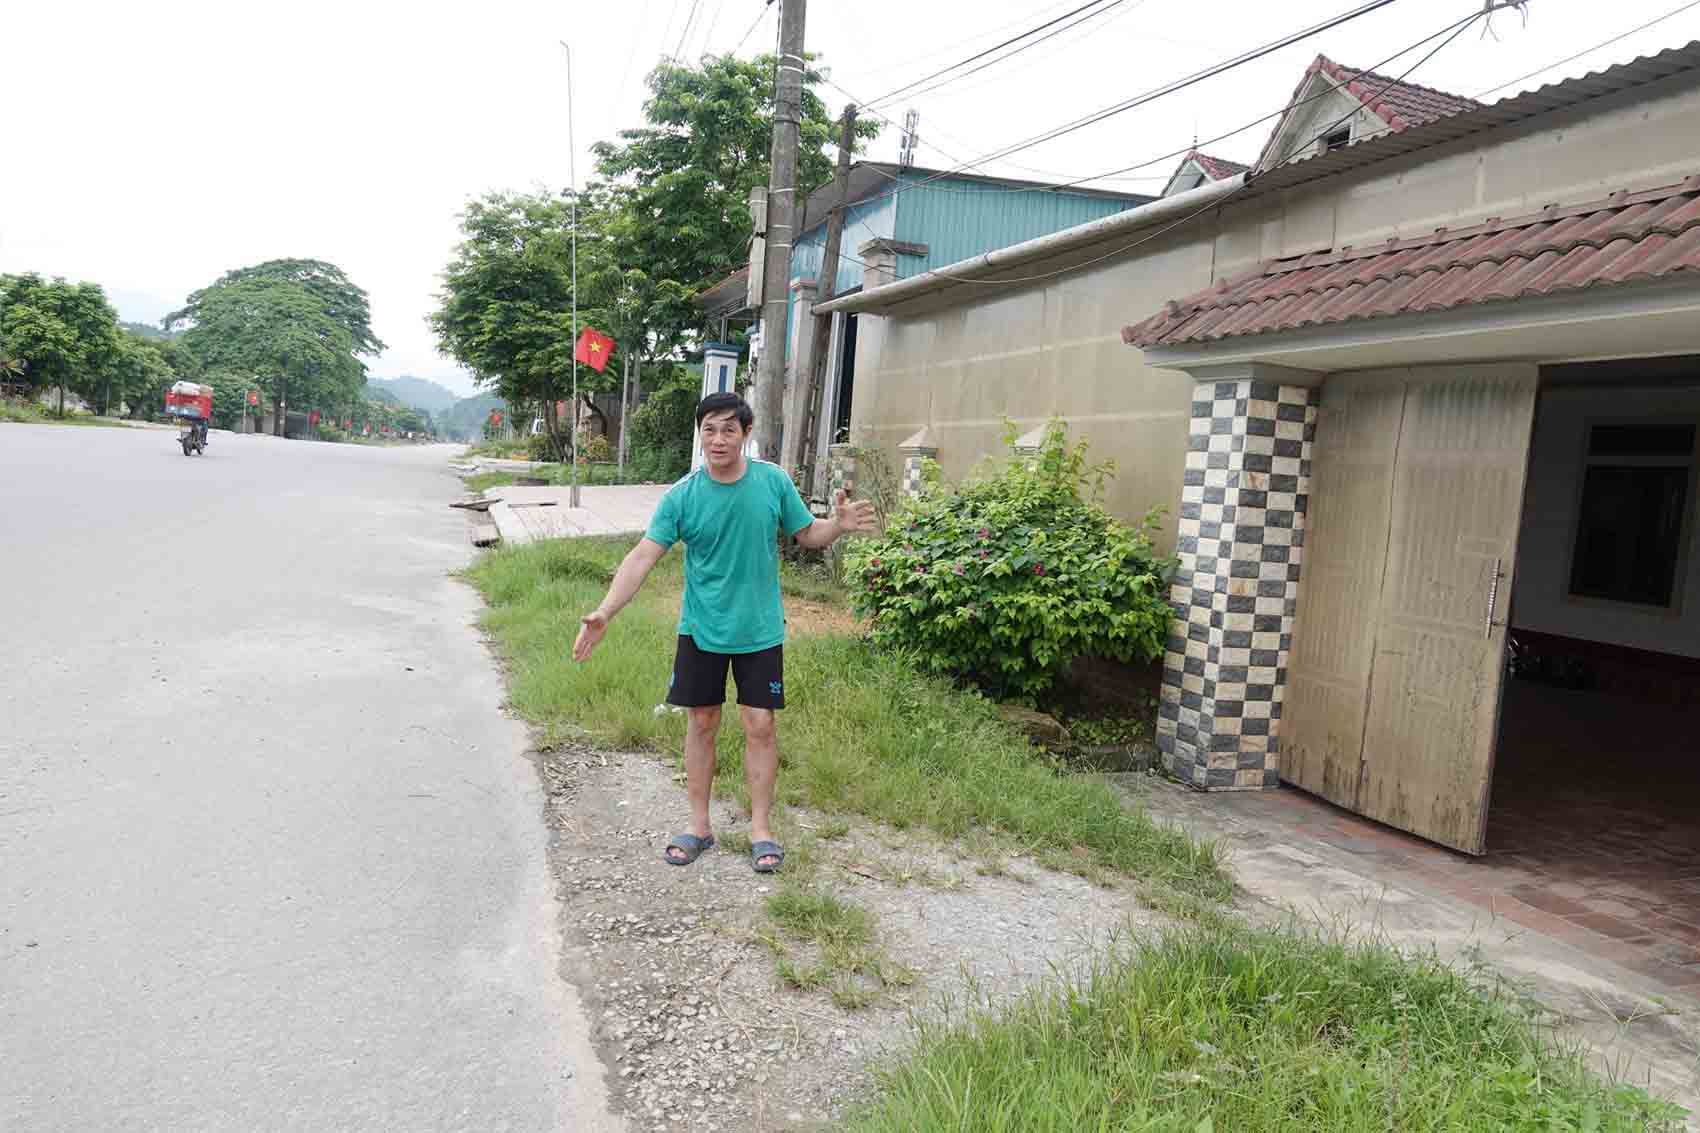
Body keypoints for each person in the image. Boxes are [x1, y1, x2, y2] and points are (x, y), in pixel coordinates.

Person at [572, 392, 875, 873]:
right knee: (702, 722)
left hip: (759, 629)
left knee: (760, 725)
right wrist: (605, 611)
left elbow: (807, 534)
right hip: (701, 628)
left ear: (746, 434)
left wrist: (836, 526)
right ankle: (699, 826)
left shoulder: (772, 482)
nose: (718, 439)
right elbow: (643, 557)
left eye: (729, 429)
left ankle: (761, 829)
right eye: (709, 429)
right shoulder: (683, 496)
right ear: (700, 434)